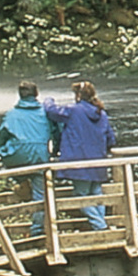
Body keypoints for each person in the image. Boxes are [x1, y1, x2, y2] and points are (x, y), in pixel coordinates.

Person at [45, 79, 117, 231]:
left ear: (78, 95)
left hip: (79, 162)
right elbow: (111, 138)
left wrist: (48, 100)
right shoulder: (101, 114)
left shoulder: (73, 111)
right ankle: (102, 227)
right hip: (98, 161)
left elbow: (52, 111)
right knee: (96, 194)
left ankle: (101, 227)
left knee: (81, 195)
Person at [0, 79, 59, 237]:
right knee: (40, 194)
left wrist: (2, 150)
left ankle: (21, 185)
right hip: (39, 156)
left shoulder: (12, 114)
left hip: (16, 156)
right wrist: (55, 150)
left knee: (17, 173)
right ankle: (37, 230)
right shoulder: (44, 113)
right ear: (36, 94)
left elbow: (0, 136)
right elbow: (56, 132)